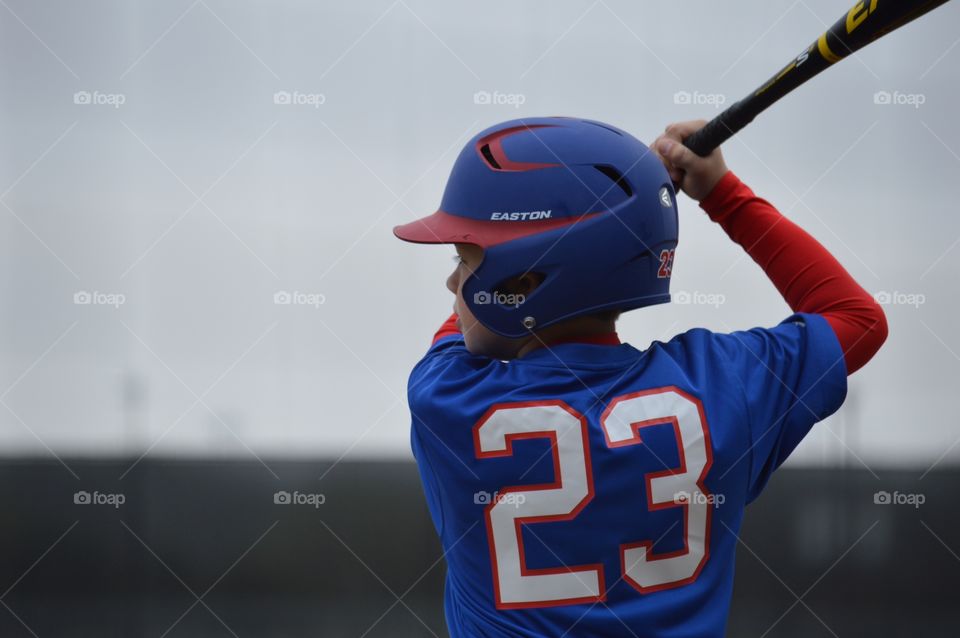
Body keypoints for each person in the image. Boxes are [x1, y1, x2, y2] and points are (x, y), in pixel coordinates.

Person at [393, 117, 887, 637]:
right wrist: (722, 194)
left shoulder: (447, 399)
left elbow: (467, 325)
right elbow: (857, 318)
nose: (453, 280)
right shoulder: (720, 384)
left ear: (525, 279)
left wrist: (626, 207)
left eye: (465, 257)